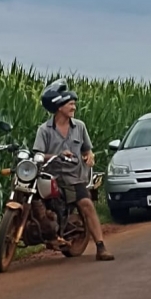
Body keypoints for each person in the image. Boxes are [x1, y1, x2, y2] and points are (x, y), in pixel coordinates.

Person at [33, 79, 115, 261]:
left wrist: (90, 156)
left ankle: (101, 247)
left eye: (73, 104)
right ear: (59, 106)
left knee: (86, 204)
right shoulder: (44, 130)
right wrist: (56, 155)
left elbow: (87, 150)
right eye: (70, 104)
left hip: (74, 177)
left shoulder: (80, 126)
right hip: (50, 176)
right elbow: (38, 154)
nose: (74, 107)